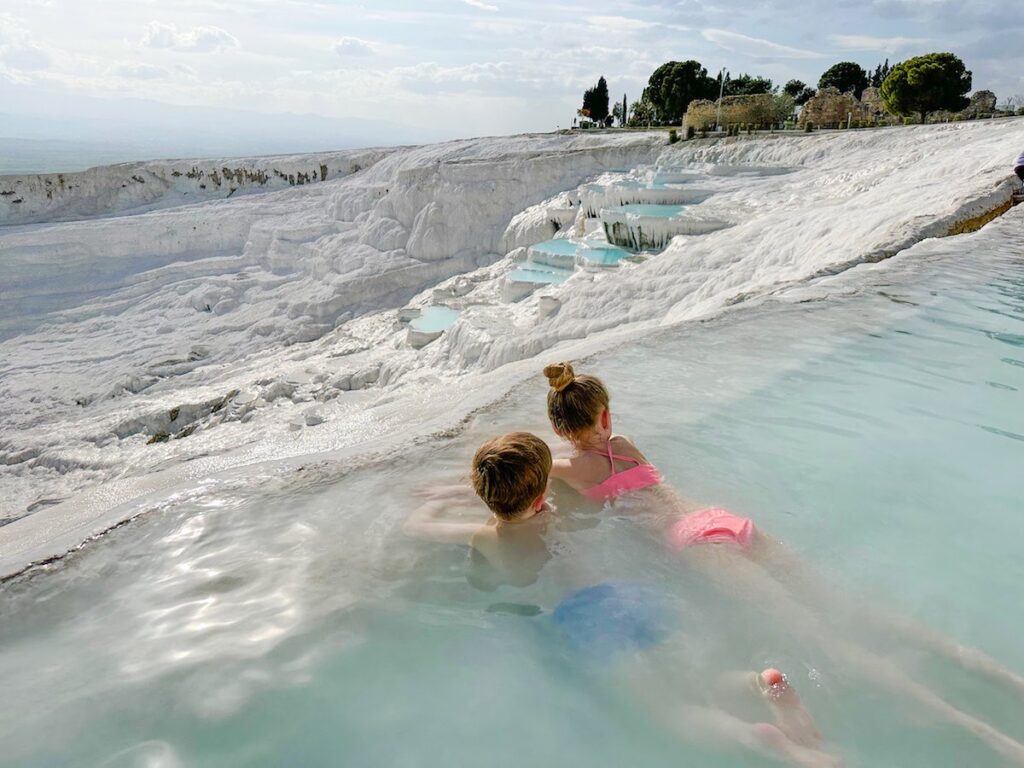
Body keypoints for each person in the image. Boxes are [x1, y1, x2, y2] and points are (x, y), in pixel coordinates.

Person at [542, 360, 1024, 764]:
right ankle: (1005, 680)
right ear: (606, 415)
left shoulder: (572, 469)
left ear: (560, 429)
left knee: (826, 640)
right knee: (853, 610)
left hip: (696, 544)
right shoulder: (623, 444)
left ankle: (977, 731)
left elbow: (534, 473)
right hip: (721, 518)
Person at [405, 431, 839, 766]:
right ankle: (753, 683)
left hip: (590, 625)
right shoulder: (556, 516)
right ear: (541, 496)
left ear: (486, 498)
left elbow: (417, 530)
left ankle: (757, 738)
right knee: (691, 679)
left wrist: (431, 508)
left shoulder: (488, 538)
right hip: (626, 597)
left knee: (670, 712)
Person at [404, 432, 553, 586]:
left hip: (496, 582)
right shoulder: (548, 515)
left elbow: (412, 528)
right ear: (539, 501)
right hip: (532, 581)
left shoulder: (483, 536)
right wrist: (460, 492)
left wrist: (438, 503)